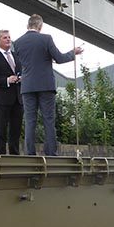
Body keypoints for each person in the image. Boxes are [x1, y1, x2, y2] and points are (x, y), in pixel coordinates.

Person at [14, 14, 83, 156]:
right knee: (48, 120)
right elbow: (59, 58)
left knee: (30, 121)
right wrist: (73, 53)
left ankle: (30, 153)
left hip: (27, 86)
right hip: (46, 85)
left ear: (28, 25)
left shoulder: (18, 42)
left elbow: (24, 62)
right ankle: (50, 153)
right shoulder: (46, 39)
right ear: (40, 26)